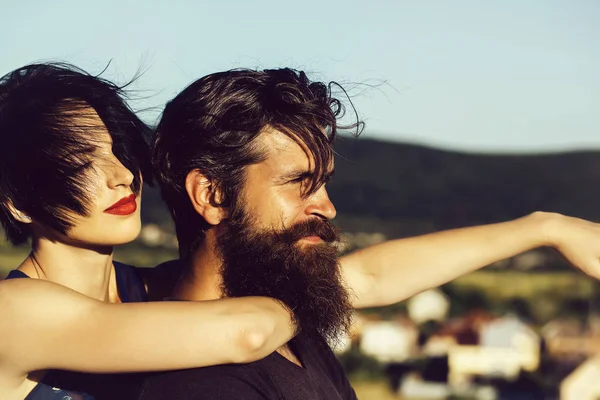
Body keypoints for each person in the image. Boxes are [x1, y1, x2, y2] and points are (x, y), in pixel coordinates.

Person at [137, 68, 600, 399]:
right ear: (213, 195)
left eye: (323, 184)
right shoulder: (200, 381)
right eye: (299, 184)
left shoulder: (286, 318)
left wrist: (546, 228)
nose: (327, 207)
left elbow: (375, 276)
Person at [0, 63, 297, 400]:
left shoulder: (152, 289)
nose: (122, 174)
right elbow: (249, 334)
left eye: (117, 151)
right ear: (18, 204)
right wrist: (307, 300)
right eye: (83, 162)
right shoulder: (11, 311)